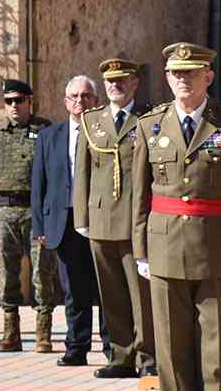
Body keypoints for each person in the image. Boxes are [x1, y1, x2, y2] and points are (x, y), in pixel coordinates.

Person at [133, 42, 220, 391]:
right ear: (168, 78)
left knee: (216, 343)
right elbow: (139, 197)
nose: (184, 79)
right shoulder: (149, 126)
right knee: (170, 344)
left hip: (214, 246)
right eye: (176, 73)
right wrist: (140, 251)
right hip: (165, 247)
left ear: (208, 77)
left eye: (192, 73)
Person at [74, 58, 156, 379]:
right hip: (101, 218)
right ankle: (120, 355)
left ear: (135, 83)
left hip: (136, 219)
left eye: (122, 80)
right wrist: (81, 215)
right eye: (109, 81)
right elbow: (81, 171)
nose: (115, 86)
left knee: (142, 295)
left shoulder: (148, 119)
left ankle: (147, 355)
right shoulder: (92, 121)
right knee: (111, 294)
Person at [0, 79, 59, 353]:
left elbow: (57, 172)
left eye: (19, 100)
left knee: (42, 271)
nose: (13, 106)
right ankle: (11, 334)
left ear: (29, 101)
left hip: (36, 211)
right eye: (8, 101)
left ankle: (43, 334)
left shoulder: (45, 130)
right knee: (7, 273)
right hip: (4, 210)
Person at [31, 75, 110, 367]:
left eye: (87, 96)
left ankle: (113, 349)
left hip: (101, 220)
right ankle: (76, 348)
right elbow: (38, 184)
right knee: (73, 290)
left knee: (106, 287)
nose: (80, 101)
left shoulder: (106, 133)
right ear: (66, 102)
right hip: (64, 222)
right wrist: (39, 226)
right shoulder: (49, 137)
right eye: (74, 96)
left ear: (96, 101)